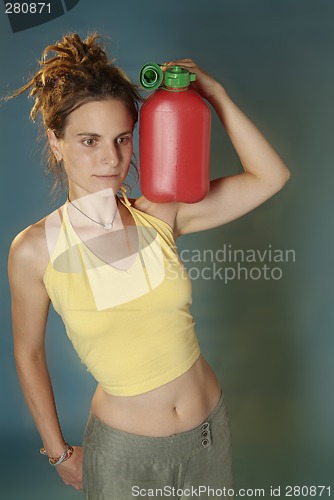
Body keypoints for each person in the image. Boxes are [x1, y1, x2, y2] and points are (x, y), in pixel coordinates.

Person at [7, 33, 290, 499]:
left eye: (122, 138)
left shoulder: (160, 213)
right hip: (124, 456)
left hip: (208, 434)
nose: (111, 158)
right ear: (56, 143)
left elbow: (270, 176)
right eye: (88, 140)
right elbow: (28, 354)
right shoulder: (35, 249)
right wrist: (57, 452)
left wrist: (214, 94)